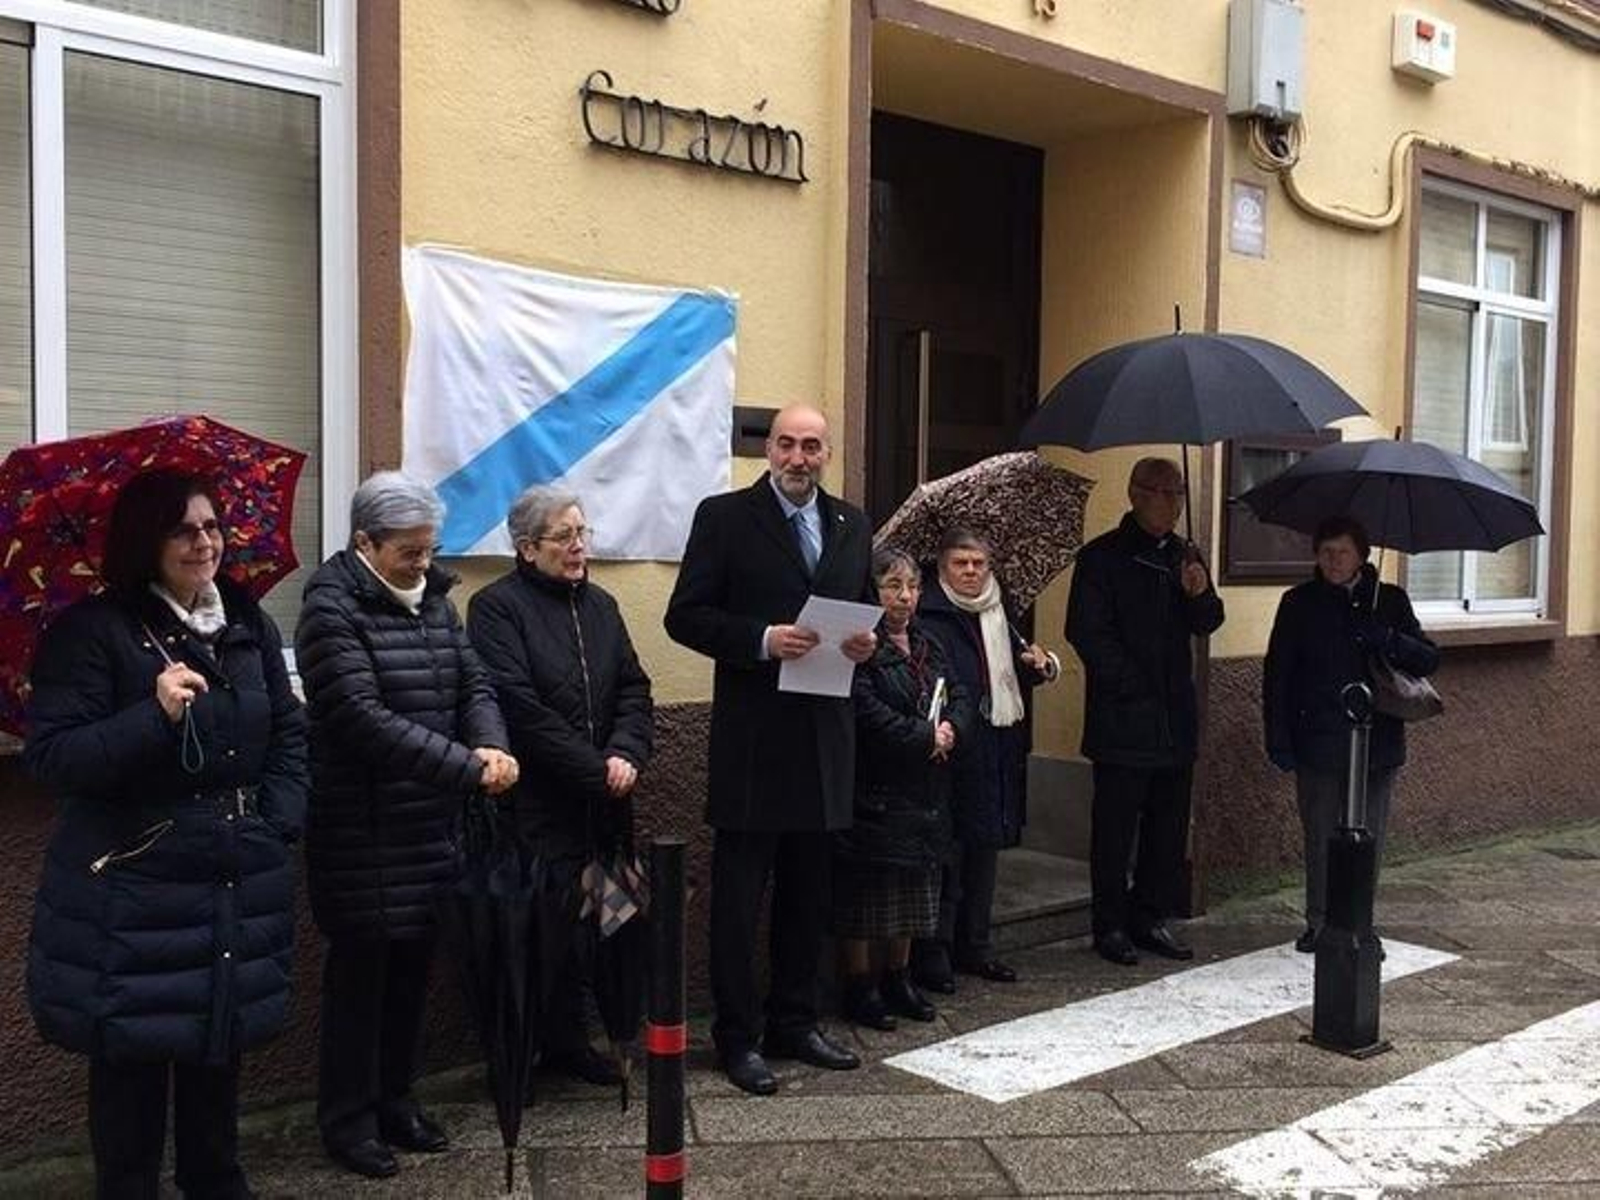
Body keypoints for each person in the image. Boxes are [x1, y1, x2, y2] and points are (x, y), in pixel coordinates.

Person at [24, 467, 307, 1199]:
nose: (204, 541)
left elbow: (289, 733)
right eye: (184, 528)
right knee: (134, 1064)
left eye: (212, 526)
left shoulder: (247, 622)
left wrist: (278, 819)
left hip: (235, 874)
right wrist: (153, 716)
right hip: (135, 888)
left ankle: (218, 1182)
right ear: (145, 540)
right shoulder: (93, 633)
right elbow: (56, 759)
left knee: (221, 1046)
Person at [296, 472, 516, 1180]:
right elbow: (362, 720)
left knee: (412, 977)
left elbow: (473, 682)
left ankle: (397, 1100)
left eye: (430, 550)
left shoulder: (434, 605)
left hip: (429, 828)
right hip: (361, 830)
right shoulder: (330, 611)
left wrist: (490, 743)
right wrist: (464, 767)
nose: (424, 565)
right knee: (362, 983)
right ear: (365, 542)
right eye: (409, 553)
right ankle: (348, 1120)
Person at [664, 403, 876, 1096]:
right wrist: (762, 640)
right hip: (754, 744)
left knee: (808, 898)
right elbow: (685, 616)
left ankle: (797, 1020)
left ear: (827, 453)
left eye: (812, 446)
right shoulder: (723, 517)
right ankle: (737, 1037)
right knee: (738, 903)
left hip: (824, 741)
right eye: (786, 444)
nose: (798, 458)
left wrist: (866, 645)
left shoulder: (851, 523)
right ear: (768, 450)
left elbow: (864, 608)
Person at [467, 485, 653, 1086]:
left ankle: (580, 1041)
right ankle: (525, 1058)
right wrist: (594, 770)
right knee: (538, 939)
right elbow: (519, 708)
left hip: (606, 809)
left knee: (608, 929)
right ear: (526, 548)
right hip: (541, 810)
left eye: (583, 533)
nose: (579, 547)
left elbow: (634, 688)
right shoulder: (496, 608)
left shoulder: (601, 605)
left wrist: (625, 752)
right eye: (565, 536)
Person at [1066, 456, 1224, 967]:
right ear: (1135, 495)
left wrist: (1199, 594)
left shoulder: (1185, 554)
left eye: (1178, 495)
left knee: (1167, 827)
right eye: (1162, 493)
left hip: (1174, 718)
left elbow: (1209, 621)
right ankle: (1109, 923)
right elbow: (1086, 632)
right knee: (1115, 830)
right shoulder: (1102, 558)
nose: (1172, 504)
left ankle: (1149, 915)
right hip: (1123, 716)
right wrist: (1132, 684)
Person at [1263, 515, 1438, 952]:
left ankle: (1360, 922)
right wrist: (1279, 737)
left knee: (1368, 837)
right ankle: (1319, 921)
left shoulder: (1389, 601)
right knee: (1320, 834)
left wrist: (1387, 639)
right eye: (1325, 552)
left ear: (1361, 554)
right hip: (1319, 740)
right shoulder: (1298, 603)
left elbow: (1428, 659)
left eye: (1342, 552)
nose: (1333, 561)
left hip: (1376, 744)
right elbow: (1278, 675)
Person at [913, 528, 1059, 990]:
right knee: (947, 853)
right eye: (961, 562)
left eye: (979, 563)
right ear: (942, 567)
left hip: (998, 743)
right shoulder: (928, 612)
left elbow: (1011, 675)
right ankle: (934, 954)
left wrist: (1039, 665)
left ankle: (976, 947)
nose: (972, 571)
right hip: (952, 746)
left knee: (986, 849)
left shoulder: (1000, 608)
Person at [834, 547, 971, 1030]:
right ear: (873, 591)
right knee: (870, 894)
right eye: (893, 586)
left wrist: (951, 729)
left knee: (916, 890)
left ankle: (899, 977)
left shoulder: (929, 642)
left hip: (926, 791)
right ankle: (861, 986)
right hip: (877, 788)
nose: (905, 597)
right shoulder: (861, 647)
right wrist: (922, 737)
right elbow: (865, 710)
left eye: (912, 586)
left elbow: (959, 693)